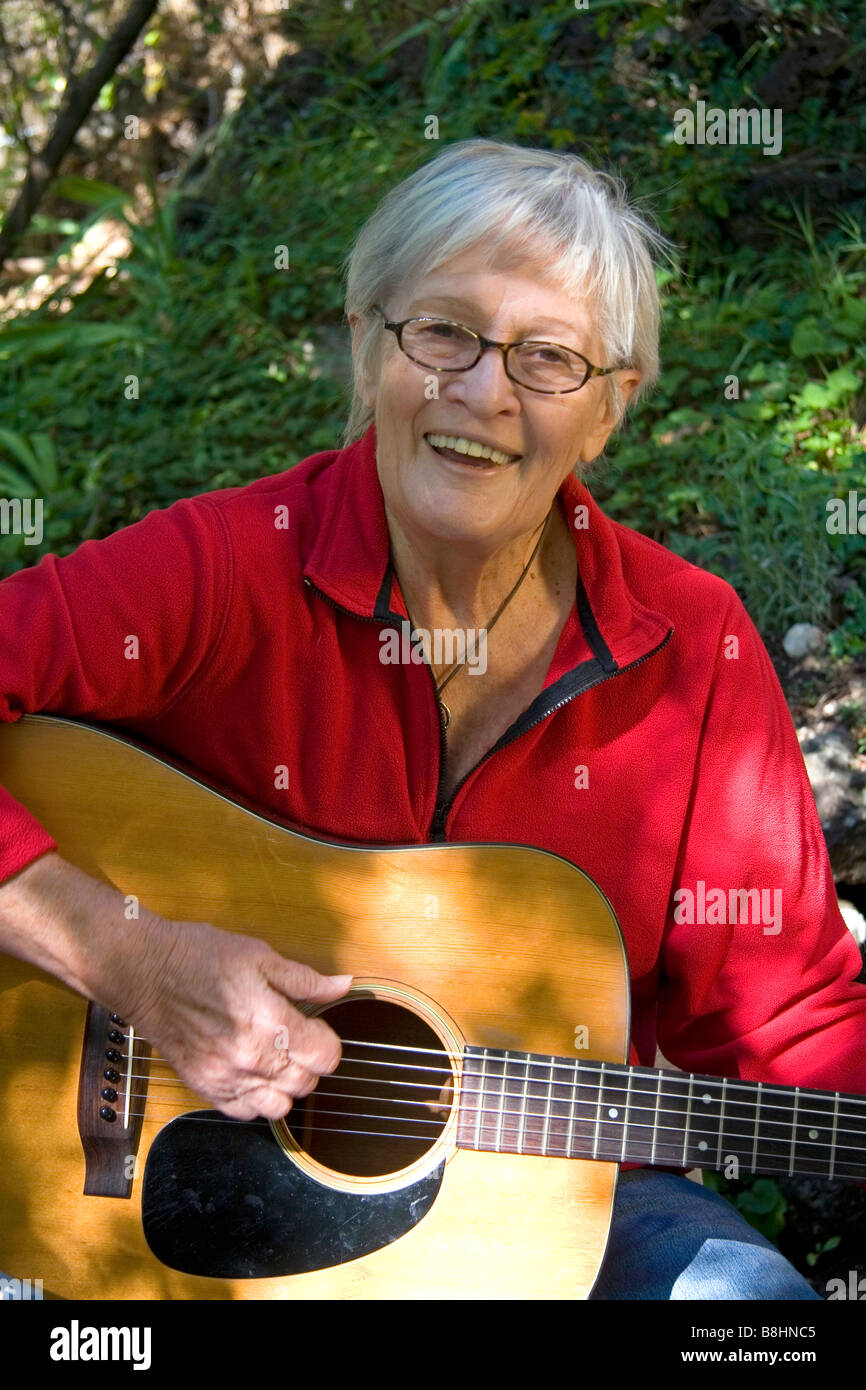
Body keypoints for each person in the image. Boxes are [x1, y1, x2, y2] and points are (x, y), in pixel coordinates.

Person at [1, 138, 862, 1300]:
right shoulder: (223, 570)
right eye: (443, 331)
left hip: (563, 1213)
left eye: (548, 358)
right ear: (367, 339)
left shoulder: (687, 642)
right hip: (159, 1206)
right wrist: (127, 952)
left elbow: (787, 1019)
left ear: (611, 409)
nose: (485, 390)